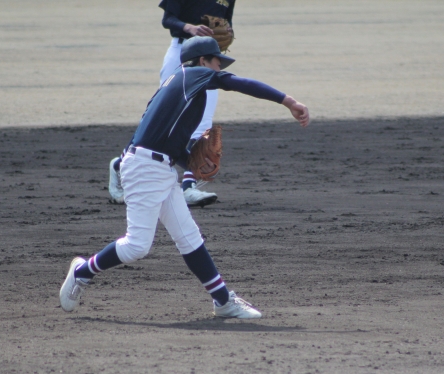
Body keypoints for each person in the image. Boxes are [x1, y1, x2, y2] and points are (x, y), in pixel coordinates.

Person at [62, 37, 310, 319]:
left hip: (158, 168)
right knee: (136, 246)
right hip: (145, 169)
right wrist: (289, 102)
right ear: (202, 61)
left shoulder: (178, 89)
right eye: (217, 62)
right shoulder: (191, 75)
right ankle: (82, 271)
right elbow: (238, 83)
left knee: (189, 238)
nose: (220, 69)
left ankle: (223, 301)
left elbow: (170, 145)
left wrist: (193, 163)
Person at [108, 0, 236, 208]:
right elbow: (168, 19)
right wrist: (190, 28)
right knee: (160, 120)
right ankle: (119, 165)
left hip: (209, 59)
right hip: (181, 53)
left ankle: (188, 186)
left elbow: (226, 22)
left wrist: (228, 31)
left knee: (203, 123)